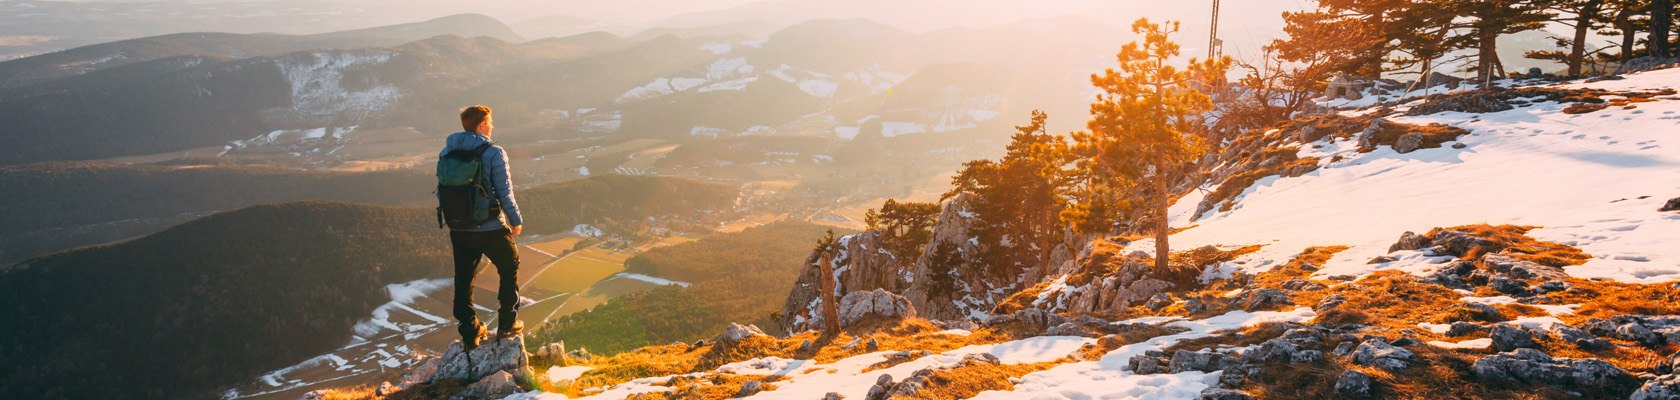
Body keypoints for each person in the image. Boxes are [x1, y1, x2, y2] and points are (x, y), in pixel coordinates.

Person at [441, 105, 525, 348]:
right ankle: (508, 323)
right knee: (510, 265)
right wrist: (515, 220)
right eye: (489, 122)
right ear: (481, 126)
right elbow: (504, 192)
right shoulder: (494, 152)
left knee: (464, 276)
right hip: (489, 226)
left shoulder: (447, 151)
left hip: (459, 228)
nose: (492, 126)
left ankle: (469, 329)